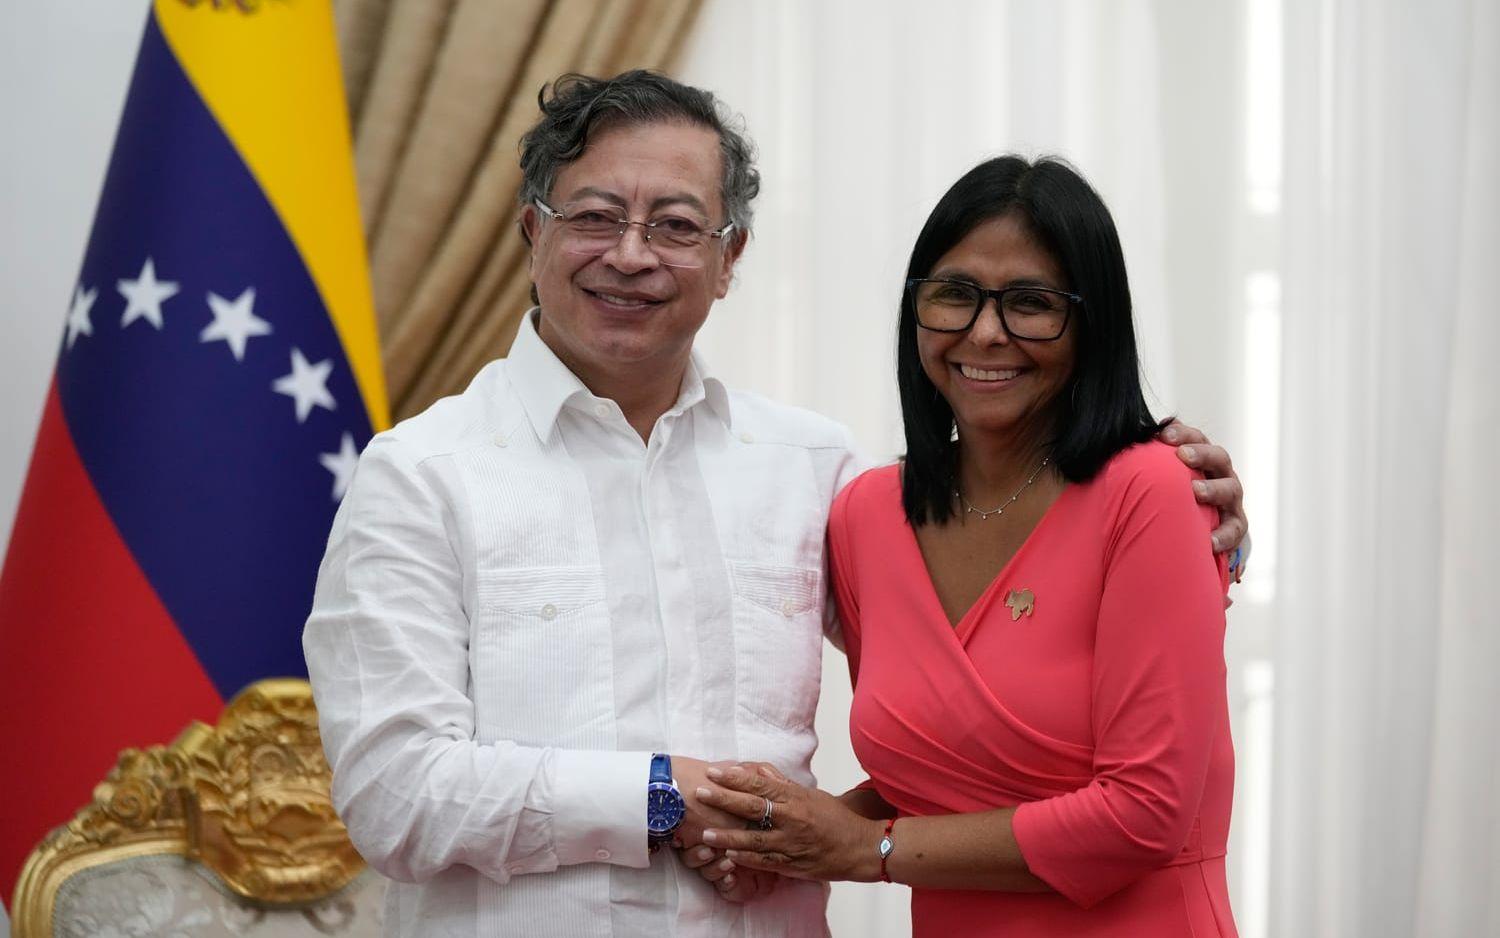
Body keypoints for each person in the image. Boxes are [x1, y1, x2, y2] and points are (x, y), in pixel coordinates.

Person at [303, 71, 1246, 938]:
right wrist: (659, 798)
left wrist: (1207, 527)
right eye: (595, 216)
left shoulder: (814, 471)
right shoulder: (420, 475)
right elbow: (393, 795)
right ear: (531, 231)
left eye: (676, 225)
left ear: (730, 257)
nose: (630, 254)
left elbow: (1006, 653)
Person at [694, 156, 1240, 937]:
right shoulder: (867, 515)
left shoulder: (1151, 490)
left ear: (1094, 323)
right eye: (954, 293)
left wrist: (864, 848)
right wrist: (791, 842)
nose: (986, 332)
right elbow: (936, 777)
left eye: (1031, 303)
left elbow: (1143, 814)